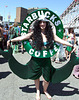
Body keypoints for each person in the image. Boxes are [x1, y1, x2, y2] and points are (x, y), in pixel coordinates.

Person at [7, 17, 74, 100]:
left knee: (46, 79)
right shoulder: (34, 34)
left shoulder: (50, 34)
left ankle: (45, 91)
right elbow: (22, 37)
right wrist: (11, 40)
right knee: (36, 76)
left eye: (44, 22)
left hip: (46, 59)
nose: (42, 24)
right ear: (38, 24)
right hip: (36, 58)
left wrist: (71, 45)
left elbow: (60, 40)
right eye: (40, 22)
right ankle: (38, 90)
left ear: (47, 24)